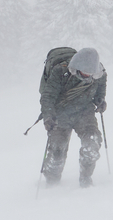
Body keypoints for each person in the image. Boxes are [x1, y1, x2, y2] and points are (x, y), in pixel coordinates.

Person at [39, 47, 107, 187]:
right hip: (60, 114)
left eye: (90, 73)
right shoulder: (60, 71)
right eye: (85, 72)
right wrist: (48, 116)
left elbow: (100, 89)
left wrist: (100, 100)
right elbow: (48, 96)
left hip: (84, 112)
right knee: (57, 150)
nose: (88, 75)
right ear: (77, 66)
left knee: (92, 142)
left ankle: (86, 179)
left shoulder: (99, 74)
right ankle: (51, 182)